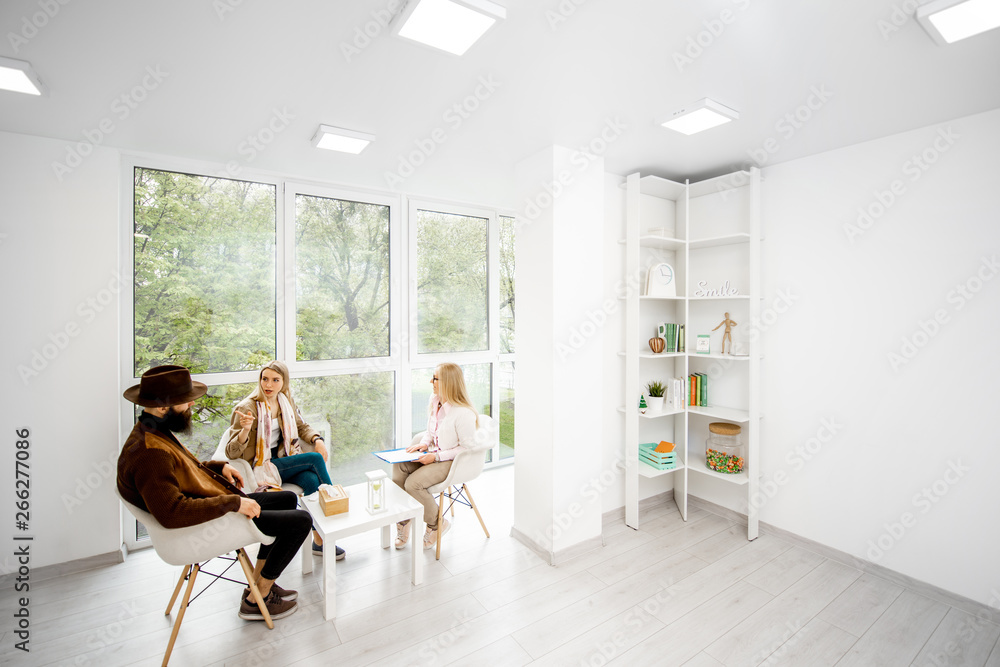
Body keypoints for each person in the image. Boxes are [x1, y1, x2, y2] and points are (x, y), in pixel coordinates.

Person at [117, 365, 311, 622]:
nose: (191, 406)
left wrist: (219, 467)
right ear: (164, 407)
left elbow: (182, 471)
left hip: (209, 504)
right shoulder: (150, 453)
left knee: (287, 498)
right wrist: (234, 503)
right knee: (301, 522)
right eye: (185, 402)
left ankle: (258, 584)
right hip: (203, 525)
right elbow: (171, 512)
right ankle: (258, 598)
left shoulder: (153, 431)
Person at [224, 360, 344, 560]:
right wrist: (245, 430)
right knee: (314, 459)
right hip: (260, 466)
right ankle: (335, 511)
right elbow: (231, 453)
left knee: (311, 481)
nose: (268, 385)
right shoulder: (247, 407)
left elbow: (302, 426)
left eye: (275, 380)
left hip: (282, 460)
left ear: (284, 383)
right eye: (265, 379)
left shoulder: (285, 401)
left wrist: (318, 440)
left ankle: (319, 541)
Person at [393, 363, 479, 550]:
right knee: (399, 467)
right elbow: (431, 430)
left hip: (452, 462)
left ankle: (436, 524)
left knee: (412, 484)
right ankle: (404, 518)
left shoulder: (463, 414)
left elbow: (467, 448)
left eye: (435, 378)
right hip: (433, 453)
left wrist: (437, 457)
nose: (430, 381)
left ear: (448, 382)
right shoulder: (435, 399)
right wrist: (424, 443)